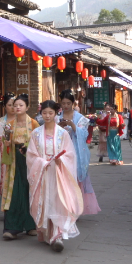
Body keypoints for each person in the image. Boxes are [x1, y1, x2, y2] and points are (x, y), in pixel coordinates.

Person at [27, 100, 84, 252]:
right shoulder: (36, 133)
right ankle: (47, 233)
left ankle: (58, 235)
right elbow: (31, 155)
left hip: (58, 173)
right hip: (43, 172)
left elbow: (70, 154)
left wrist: (61, 160)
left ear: (55, 113)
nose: (47, 116)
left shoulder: (62, 133)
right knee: (45, 201)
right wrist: (41, 162)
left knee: (59, 201)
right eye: (44, 113)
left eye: (50, 113)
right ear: (41, 113)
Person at [0, 93, 39, 240]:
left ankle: (31, 225)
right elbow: (4, 142)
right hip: (14, 162)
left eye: (20, 105)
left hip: (29, 162)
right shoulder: (9, 125)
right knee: (14, 192)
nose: (17, 107)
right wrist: (6, 143)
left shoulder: (34, 124)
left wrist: (28, 147)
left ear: (27, 107)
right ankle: (12, 227)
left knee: (29, 191)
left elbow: (39, 143)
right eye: (15, 105)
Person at [57, 91, 101, 216]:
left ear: (73, 103)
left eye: (68, 103)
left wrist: (73, 126)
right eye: (63, 103)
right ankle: (64, 207)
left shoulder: (80, 118)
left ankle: (75, 208)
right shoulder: (57, 117)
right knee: (62, 180)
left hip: (75, 152)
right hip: (61, 152)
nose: (66, 106)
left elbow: (84, 134)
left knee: (75, 180)